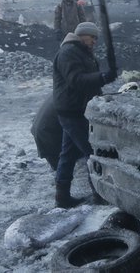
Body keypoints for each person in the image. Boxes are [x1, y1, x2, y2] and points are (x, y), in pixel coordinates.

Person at [52, 21, 117, 208]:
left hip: (76, 108)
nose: (94, 41)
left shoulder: (81, 52)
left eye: (97, 38)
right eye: (92, 37)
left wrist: (101, 95)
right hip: (72, 111)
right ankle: (99, 194)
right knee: (92, 151)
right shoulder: (68, 52)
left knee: (68, 153)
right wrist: (102, 77)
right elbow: (76, 80)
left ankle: (62, 196)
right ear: (82, 35)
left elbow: (88, 81)